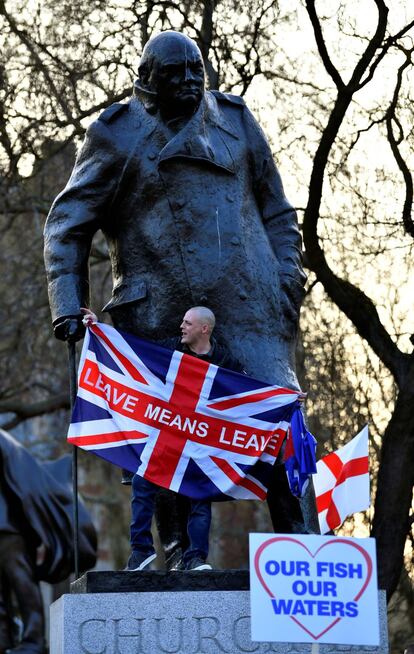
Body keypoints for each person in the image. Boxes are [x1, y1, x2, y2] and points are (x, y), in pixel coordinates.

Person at [44, 30, 314, 548]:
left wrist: (287, 280)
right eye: (176, 73)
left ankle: (304, 555)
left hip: (250, 306)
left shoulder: (235, 121)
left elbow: (277, 209)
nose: (191, 81)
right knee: (171, 446)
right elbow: (66, 224)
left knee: (279, 423)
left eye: (197, 70)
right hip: (160, 313)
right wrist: (67, 306)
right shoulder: (117, 134)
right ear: (148, 79)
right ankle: (176, 562)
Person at [82, 306, 243, 571]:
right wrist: (100, 330)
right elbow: (132, 351)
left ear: (205, 329)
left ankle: (195, 559)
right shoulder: (170, 349)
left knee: (199, 501)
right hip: (166, 438)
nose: (182, 326)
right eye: (182, 320)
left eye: (188, 323)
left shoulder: (224, 361)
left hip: (200, 445)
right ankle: (141, 551)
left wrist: (286, 399)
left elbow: (248, 391)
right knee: (142, 487)